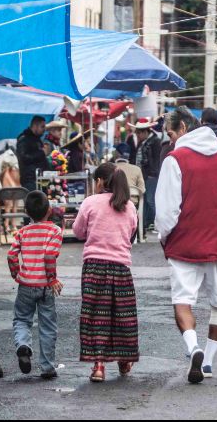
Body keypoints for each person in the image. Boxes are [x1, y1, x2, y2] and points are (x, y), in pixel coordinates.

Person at [155, 107, 217, 384]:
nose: (170, 140)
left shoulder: (175, 158)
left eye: (170, 133)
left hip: (185, 242)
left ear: (181, 127)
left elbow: (167, 210)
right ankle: (209, 362)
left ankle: (193, 348)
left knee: (183, 301)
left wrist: (163, 237)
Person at [73, 163, 139, 383]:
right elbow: (131, 234)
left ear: (100, 181)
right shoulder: (129, 206)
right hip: (120, 268)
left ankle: (98, 366)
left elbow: (78, 231)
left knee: (96, 316)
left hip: (94, 267)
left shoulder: (90, 202)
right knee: (121, 316)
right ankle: (124, 360)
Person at [7, 191, 63, 379]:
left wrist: (17, 274)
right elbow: (49, 255)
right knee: (47, 325)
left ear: (26, 212)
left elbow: (11, 255)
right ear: (49, 210)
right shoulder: (54, 231)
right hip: (46, 285)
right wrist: (53, 278)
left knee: (22, 319)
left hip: (26, 285)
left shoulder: (22, 232)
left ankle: (23, 345)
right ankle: (47, 367)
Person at [130, 119, 162, 233]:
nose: (137, 135)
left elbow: (157, 159)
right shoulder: (143, 142)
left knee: (150, 199)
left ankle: (158, 223)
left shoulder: (155, 142)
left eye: (138, 133)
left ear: (145, 132)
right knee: (146, 200)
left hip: (151, 175)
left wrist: (153, 173)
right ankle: (148, 222)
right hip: (144, 175)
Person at [16, 116, 48, 192]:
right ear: (35, 126)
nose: (44, 130)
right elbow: (24, 158)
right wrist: (42, 153)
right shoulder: (24, 139)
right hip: (30, 180)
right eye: (42, 127)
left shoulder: (37, 139)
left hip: (39, 178)